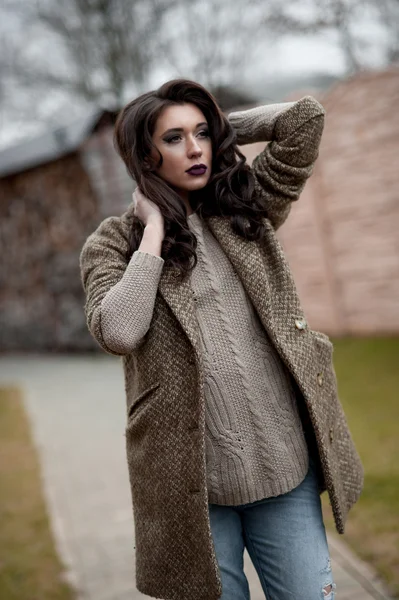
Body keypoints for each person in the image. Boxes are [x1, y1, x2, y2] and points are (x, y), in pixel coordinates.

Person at [79, 78, 364, 600]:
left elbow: (304, 121)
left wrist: (224, 125)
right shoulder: (113, 243)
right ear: (144, 154)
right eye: (173, 138)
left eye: (202, 133)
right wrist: (153, 237)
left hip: (284, 470)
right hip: (193, 492)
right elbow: (118, 330)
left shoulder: (243, 207)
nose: (194, 149)